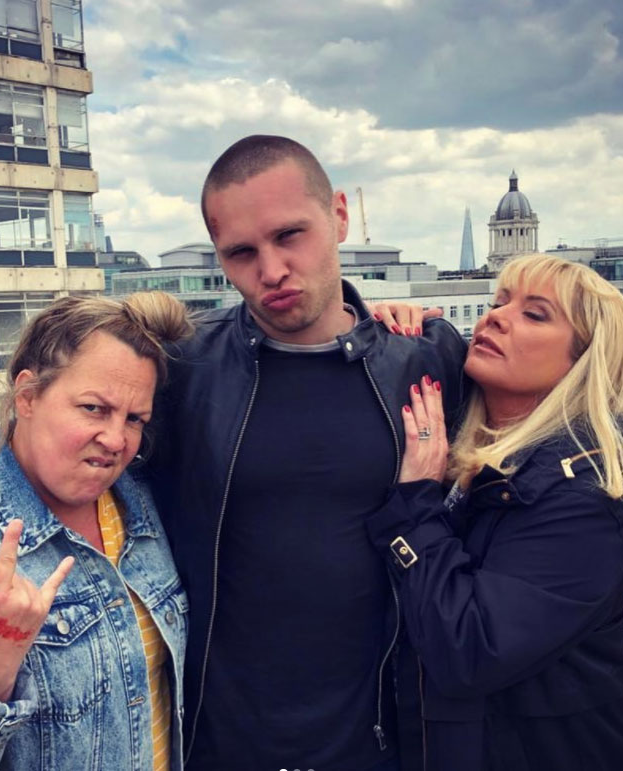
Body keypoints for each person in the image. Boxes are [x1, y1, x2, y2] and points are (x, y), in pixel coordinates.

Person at [149, 134, 469, 771]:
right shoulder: (183, 369)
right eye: (240, 252)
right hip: (222, 743)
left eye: (289, 235)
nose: (269, 271)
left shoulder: (426, 358)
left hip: (382, 737)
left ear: (340, 215)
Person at [366, 253, 623, 770]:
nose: (494, 318)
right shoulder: (469, 453)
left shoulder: (586, 500)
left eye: (534, 314)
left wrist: (416, 507)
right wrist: (392, 337)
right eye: (499, 302)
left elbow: (470, 649)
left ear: (585, 361)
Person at [0, 293, 193, 771]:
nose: (115, 440)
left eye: (134, 419)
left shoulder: (141, 504)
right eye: (92, 408)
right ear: (27, 396)